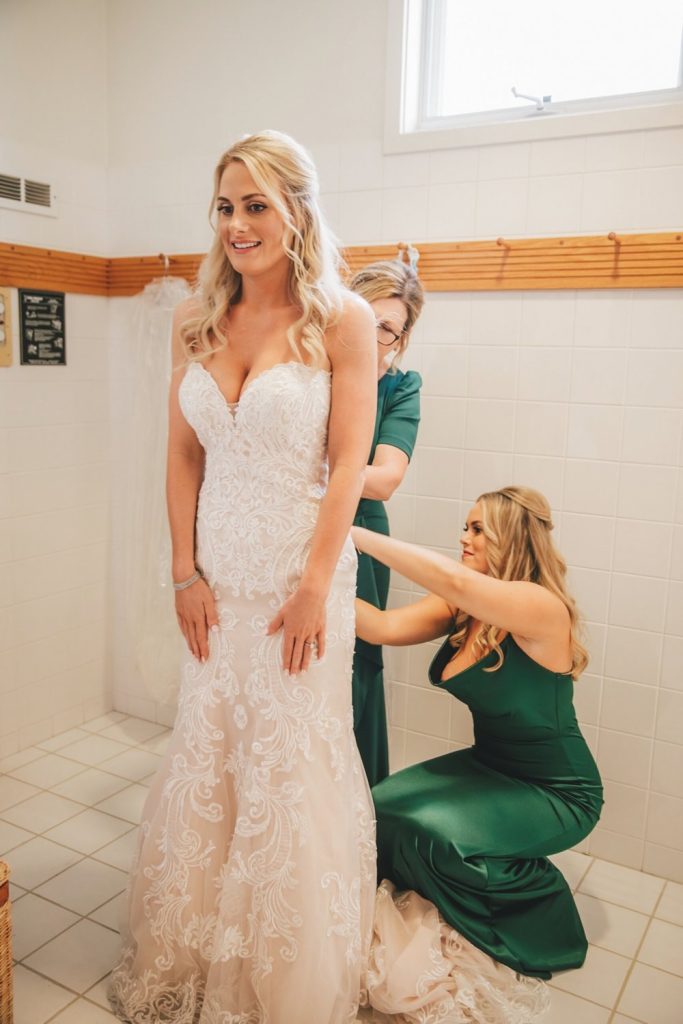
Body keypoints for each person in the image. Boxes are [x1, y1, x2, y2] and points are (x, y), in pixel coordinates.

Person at [109, 130, 378, 1024]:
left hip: (300, 586)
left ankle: (281, 980)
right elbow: (182, 454)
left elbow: (347, 465)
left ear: (297, 210)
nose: (237, 224)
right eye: (225, 206)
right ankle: (195, 951)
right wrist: (181, 572)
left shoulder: (341, 319)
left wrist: (313, 586)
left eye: (256, 205)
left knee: (288, 768)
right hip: (216, 587)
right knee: (209, 753)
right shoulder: (196, 318)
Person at [353, 486, 603, 1022]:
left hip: (557, 790)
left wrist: (350, 532)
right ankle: (459, 883)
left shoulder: (541, 606)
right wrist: (303, 580)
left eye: (477, 529)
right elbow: (380, 626)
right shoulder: (463, 606)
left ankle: (539, 905)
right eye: (464, 527)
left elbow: (455, 580)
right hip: (489, 764)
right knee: (381, 808)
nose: (463, 537)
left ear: (510, 538)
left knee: (435, 836)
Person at [349, 253, 424, 787]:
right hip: (288, 528)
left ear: (401, 338)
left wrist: (297, 473)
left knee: (355, 669)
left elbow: (384, 480)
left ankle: (359, 809)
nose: (372, 335)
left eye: (387, 328)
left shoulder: (399, 387)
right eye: (364, 317)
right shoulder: (304, 370)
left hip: (361, 537)